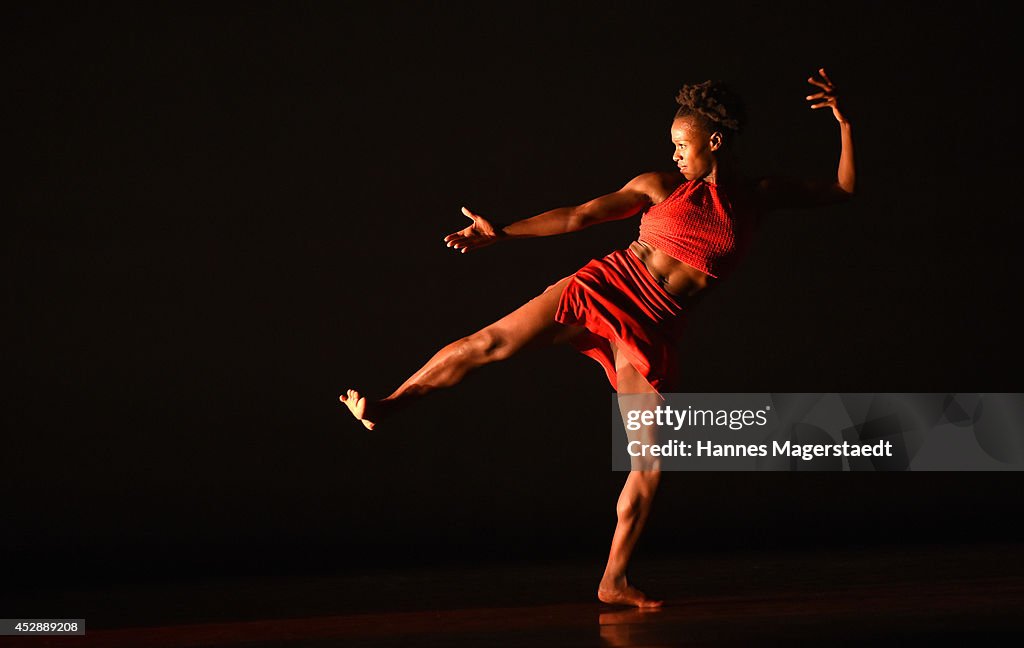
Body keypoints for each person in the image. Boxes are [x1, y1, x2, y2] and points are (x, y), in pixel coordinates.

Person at [341, 68, 855, 607]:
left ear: (715, 141)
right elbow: (579, 216)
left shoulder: (755, 199)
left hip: (655, 326)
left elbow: (843, 189)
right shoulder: (659, 187)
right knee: (487, 343)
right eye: (672, 145)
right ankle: (389, 404)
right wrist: (503, 233)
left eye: (683, 144)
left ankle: (614, 581)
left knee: (649, 466)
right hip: (607, 287)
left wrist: (844, 122)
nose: (676, 154)